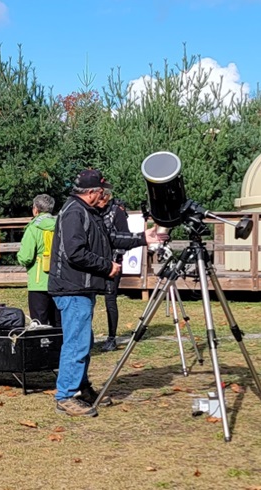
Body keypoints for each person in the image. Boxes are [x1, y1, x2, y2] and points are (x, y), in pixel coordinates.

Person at [49, 169, 164, 417]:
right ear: (91, 192)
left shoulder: (89, 212)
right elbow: (75, 252)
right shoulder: (73, 213)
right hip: (71, 287)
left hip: (82, 287)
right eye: (102, 191)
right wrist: (107, 266)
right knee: (76, 343)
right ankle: (65, 396)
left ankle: (81, 387)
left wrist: (145, 237)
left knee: (84, 341)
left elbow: (110, 238)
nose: (105, 195)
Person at [16, 194, 60, 327]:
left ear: (35, 209)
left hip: (38, 281)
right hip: (59, 280)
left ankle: (42, 347)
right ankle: (59, 346)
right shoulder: (60, 225)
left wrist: (20, 258)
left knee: (39, 322)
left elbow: (26, 256)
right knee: (58, 321)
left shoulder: (33, 228)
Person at [96, 189, 131, 352]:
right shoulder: (93, 210)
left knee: (110, 299)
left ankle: (111, 338)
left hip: (113, 262)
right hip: (94, 262)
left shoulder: (117, 212)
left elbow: (126, 237)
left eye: (102, 198)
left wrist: (114, 261)